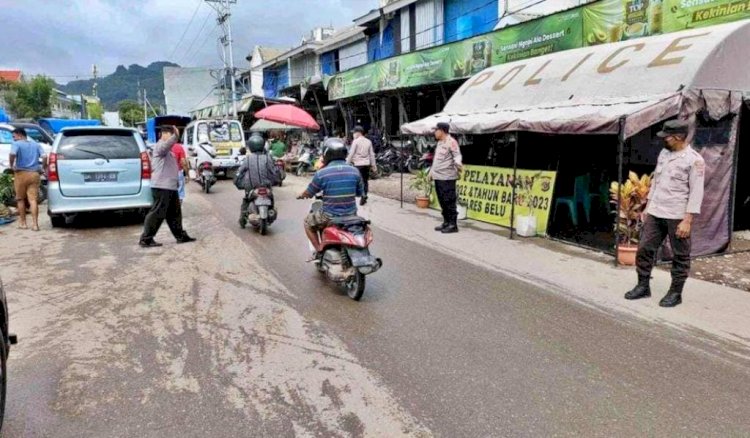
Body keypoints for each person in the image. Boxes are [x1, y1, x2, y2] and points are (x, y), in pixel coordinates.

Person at [625, 119, 705, 308]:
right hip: (656, 211)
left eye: (667, 136)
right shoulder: (664, 153)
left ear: (678, 137)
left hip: (677, 215)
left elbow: (696, 192)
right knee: (644, 248)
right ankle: (643, 285)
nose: (663, 140)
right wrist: (648, 207)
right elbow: (657, 182)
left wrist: (688, 220)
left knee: (680, 255)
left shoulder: (694, 160)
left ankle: (675, 293)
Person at [298, 138, 364, 254]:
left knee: (307, 222)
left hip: (329, 216)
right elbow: (359, 193)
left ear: (326, 154)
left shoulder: (322, 173)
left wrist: (302, 195)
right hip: (351, 215)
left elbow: (309, 192)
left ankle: (319, 250)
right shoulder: (355, 171)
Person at [139, 126, 196, 248]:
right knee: (157, 213)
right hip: (161, 186)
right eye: (169, 135)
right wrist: (176, 135)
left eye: (172, 135)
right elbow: (166, 145)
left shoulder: (168, 152)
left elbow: (170, 168)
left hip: (169, 187)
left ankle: (180, 236)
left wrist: (176, 182)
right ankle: (146, 238)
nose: (171, 138)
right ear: (163, 134)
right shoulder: (160, 146)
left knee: (174, 213)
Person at [236, 133, 280, 228]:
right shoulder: (267, 158)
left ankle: (242, 221)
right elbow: (273, 171)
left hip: (251, 188)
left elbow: (240, 172)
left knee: (246, 201)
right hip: (266, 187)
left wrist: (237, 179)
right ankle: (271, 211)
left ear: (250, 146)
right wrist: (276, 180)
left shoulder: (248, 159)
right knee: (271, 198)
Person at [8, 127, 47, 231]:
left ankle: (23, 223)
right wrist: (43, 167)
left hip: (21, 174)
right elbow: (44, 156)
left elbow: (12, 154)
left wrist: (11, 165)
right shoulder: (36, 144)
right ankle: (35, 225)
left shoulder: (16, 144)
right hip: (34, 174)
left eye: (14, 136)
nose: (13, 139)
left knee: (20, 199)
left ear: (20, 135)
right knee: (33, 200)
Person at [430, 122, 463, 234]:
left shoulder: (451, 142)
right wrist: (431, 173)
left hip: (447, 177)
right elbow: (436, 160)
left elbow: (457, 155)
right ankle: (446, 221)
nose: (435, 132)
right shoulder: (439, 143)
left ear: (442, 131)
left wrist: (458, 163)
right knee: (442, 200)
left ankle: (453, 224)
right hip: (438, 176)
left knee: (449, 200)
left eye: (436, 130)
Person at [346, 125, 376, 206]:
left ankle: (360, 194)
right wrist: (374, 166)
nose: (353, 135)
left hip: (358, 164)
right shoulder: (368, 141)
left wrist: (346, 164)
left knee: (357, 180)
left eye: (354, 133)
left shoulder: (355, 141)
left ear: (358, 133)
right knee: (365, 180)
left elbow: (351, 154)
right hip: (366, 164)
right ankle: (364, 194)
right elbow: (371, 155)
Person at [172, 134, 189, 205]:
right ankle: (178, 206)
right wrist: (187, 174)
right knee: (179, 191)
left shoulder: (164, 147)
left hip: (166, 174)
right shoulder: (179, 147)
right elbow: (183, 162)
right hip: (178, 172)